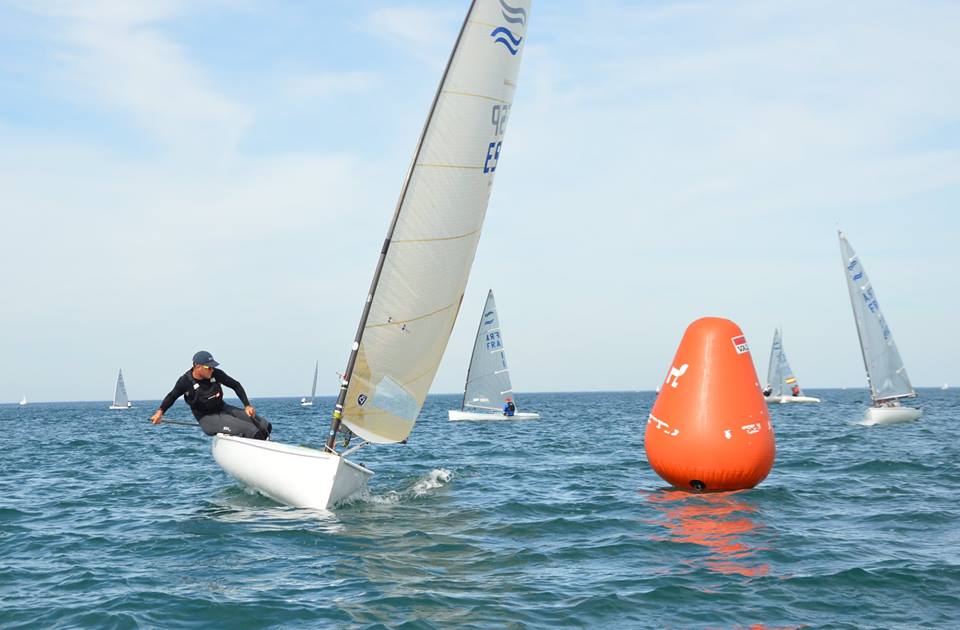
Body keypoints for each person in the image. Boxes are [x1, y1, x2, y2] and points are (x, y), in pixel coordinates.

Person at [149, 351, 272, 440]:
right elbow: (172, 396)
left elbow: (236, 385)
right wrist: (160, 412)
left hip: (223, 408)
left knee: (264, 425)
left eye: (213, 367)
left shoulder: (216, 374)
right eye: (209, 367)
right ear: (197, 367)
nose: (212, 370)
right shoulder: (185, 381)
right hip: (207, 418)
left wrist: (247, 405)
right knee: (250, 430)